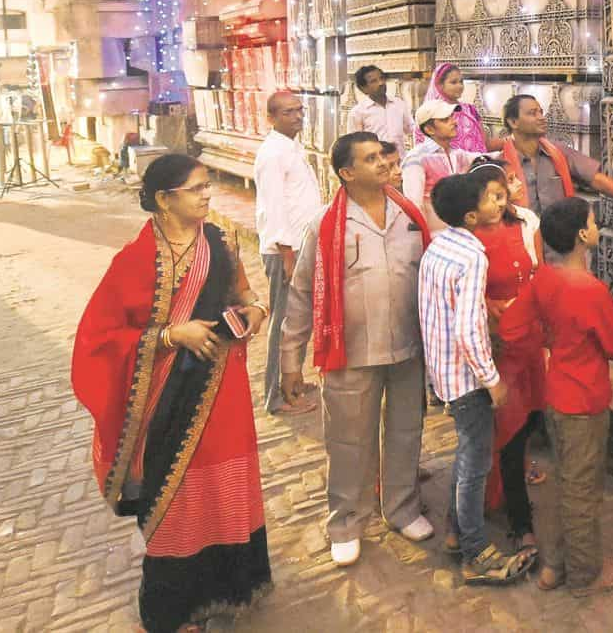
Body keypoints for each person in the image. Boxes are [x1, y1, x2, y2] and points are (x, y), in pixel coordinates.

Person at [73, 155, 272, 632]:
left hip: (221, 390)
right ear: (164, 199)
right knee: (178, 495)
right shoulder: (134, 260)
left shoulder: (221, 243)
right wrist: (169, 336)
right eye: (196, 188)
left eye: (207, 186)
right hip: (165, 400)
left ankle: (231, 586)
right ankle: (172, 608)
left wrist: (256, 313)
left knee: (224, 485)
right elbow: (98, 337)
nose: (207, 195)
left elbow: (244, 299)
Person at [280, 131, 435, 567]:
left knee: (406, 432)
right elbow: (301, 293)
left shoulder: (408, 214)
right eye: (371, 159)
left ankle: (402, 508)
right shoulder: (326, 225)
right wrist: (290, 360)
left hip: (407, 347)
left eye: (383, 156)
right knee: (349, 441)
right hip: (349, 353)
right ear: (347, 173)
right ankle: (346, 522)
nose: (384, 163)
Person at [505, 197, 613, 595]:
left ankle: (554, 567)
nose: (596, 226)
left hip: (556, 390)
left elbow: (511, 328)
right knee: (582, 489)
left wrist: (548, 339)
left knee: (568, 480)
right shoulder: (589, 289)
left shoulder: (544, 278)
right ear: (582, 235)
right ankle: (583, 576)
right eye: (593, 222)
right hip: (584, 397)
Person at [417, 172, 536, 585]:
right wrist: (492, 380)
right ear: (471, 215)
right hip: (467, 379)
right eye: (489, 199)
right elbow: (470, 331)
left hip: (444, 372)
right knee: (474, 464)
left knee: (468, 455)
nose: (498, 204)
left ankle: (455, 533)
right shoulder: (473, 256)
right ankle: (475, 552)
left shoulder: (439, 244)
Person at [462, 163, 548, 555]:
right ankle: (520, 520)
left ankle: (505, 485)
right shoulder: (468, 242)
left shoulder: (524, 226)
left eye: (501, 195)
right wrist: (488, 303)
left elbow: (539, 272)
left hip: (530, 338)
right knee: (509, 428)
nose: (497, 203)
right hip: (497, 347)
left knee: (530, 416)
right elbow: (463, 297)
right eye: (487, 198)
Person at [253, 90, 321, 416]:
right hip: (285, 252)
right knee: (282, 324)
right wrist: (288, 256)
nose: (297, 116)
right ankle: (275, 398)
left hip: (301, 247)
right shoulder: (271, 154)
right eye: (288, 112)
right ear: (271, 118)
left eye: (299, 110)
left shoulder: (292, 147)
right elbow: (274, 208)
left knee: (298, 322)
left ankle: (292, 381)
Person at [495, 93, 613, 213]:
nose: (541, 118)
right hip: (523, 241)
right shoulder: (500, 164)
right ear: (513, 122)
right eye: (532, 113)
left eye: (541, 112)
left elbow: (595, 179)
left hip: (559, 240)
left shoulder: (558, 152)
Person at [403, 100, 483, 231]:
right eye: (445, 120)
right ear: (429, 129)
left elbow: (490, 157)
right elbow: (414, 205)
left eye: (452, 117)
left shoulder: (456, 154)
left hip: (456, 232)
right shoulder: (417, 158)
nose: (454, 122)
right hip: (433, 235)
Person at [414, 62, 490, 152]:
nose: (460, 86)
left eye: (461, 82)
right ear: (439, 85)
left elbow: (483, 142)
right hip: (442, 163)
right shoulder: (428, 114)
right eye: (453, 82)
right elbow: (422, 148)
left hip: (474, 162)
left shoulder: (470, 110)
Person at [346, 65, 416, 157]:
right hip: (375, 165)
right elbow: (355, 144)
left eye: (382, 78)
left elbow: (412, 129)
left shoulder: (399, 104)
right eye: (373, 81)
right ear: (364, 89)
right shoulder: (358, 112)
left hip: (399, 162)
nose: (381, 83)